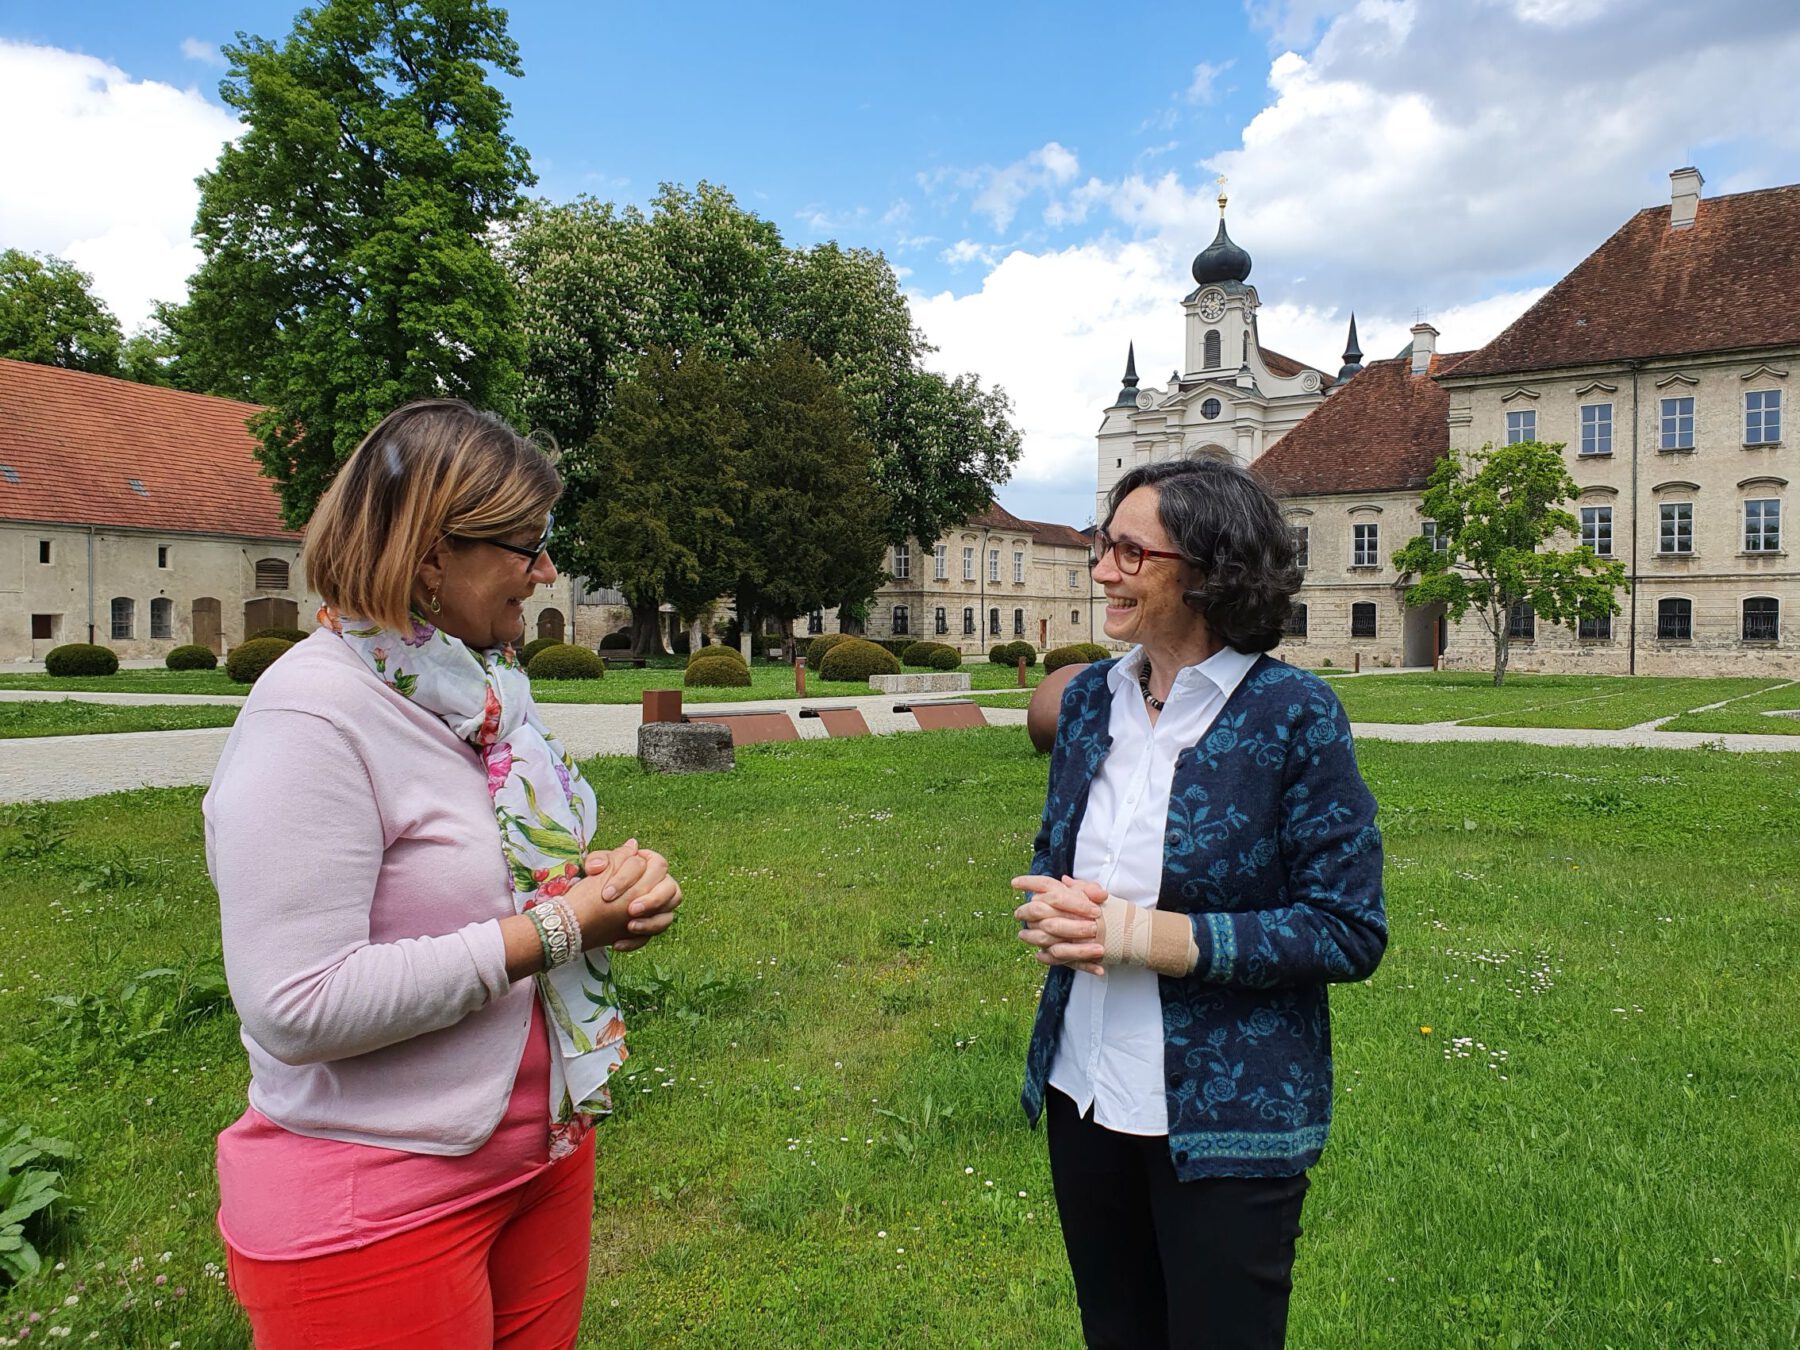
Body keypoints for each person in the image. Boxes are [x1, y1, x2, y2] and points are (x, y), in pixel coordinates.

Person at [204, 400, 682, 1348]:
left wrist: (592, 886)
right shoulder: (312, 716)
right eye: (527, 544)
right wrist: (559, 929)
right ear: (431, 556)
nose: (547, 570)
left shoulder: (480, 694)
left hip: (539, 1154)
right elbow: (296, 1004)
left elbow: (479, 873)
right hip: (377, 1200)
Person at [1011, 457, 1387, 1350]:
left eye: (1130, 551)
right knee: (1116, 1332)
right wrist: (1055, 907)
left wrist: (1143, 934)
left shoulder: (1295, 714)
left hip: (1228, 1119)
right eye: (1106, 544)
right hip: (1085, 1093)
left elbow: (1347, 929)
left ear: (1209, 570)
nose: (1102, 569)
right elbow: (1052, 854)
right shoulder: (1091, 702)